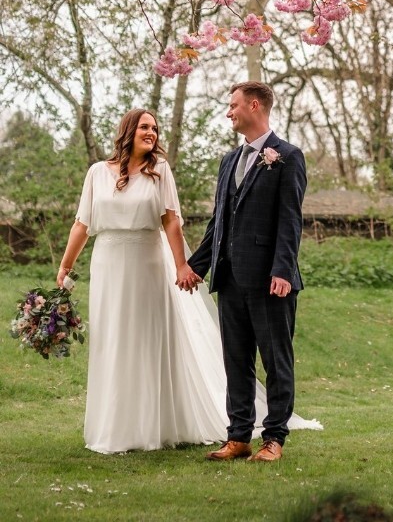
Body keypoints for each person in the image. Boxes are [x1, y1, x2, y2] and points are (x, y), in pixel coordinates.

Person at [55, 108, 321, 454]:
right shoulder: (97, 173)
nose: (152, 132)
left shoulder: (161, 171)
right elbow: (83, 224)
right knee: (116, 342)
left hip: (152, 264)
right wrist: (65, 268)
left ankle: (264, 437)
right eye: (145, 127)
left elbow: (173, 223)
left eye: (155, 127)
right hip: (109, 268)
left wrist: (184, 266)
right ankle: (123, 426)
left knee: (157, 344)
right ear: (128, 130)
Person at [187, 81, 307, 463]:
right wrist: (196, 266)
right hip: (229, 279)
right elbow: (218, 222)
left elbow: (291, 220)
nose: (229, 112)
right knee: (236, 361)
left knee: (276, 361)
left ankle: (274, 439)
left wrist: (283, 270)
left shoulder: (287, 156)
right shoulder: (227, 161)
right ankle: (238, 437)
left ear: (254, 106)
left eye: (234, 105)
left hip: (271, 281)